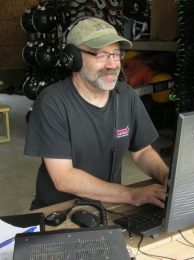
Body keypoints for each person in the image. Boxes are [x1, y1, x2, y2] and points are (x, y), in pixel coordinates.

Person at [24, 17, 169, 210]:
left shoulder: (126, 95)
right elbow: (64, 178)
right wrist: (131, 194)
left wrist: (166, 176)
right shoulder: (52, 102)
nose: (112, 64)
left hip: (110, 205)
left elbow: (142, 151)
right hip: (59, 212)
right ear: (73, 58)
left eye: (116, 54)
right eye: (100, 55)